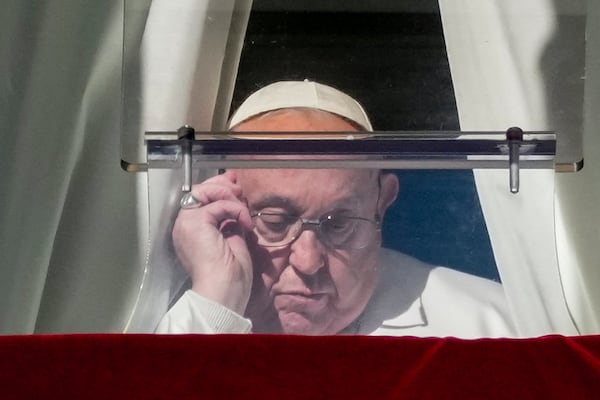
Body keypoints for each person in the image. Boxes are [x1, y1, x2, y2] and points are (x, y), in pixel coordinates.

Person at [156, 80, 517, 338]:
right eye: (276, 221)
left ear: (382, 202)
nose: (309, 261)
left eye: (339, 223)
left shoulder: (497, 331)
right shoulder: (140, 315)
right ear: (221, 207)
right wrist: (215, 306)